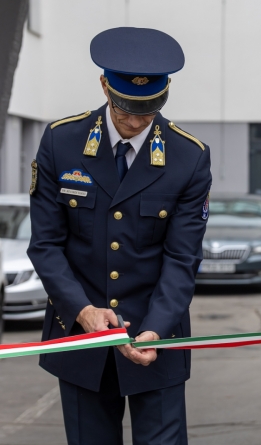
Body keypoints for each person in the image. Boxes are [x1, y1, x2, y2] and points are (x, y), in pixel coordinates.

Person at [27, 27, 211, 445]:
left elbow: (182, 259)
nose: (133, 122)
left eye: (146, 111)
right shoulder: (62, 141)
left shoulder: (189, 156)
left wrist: (157, 329)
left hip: (155, 339)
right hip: (79, 337)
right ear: (104, 85)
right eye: (125, 109)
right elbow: (46, 245)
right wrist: (81, 310)